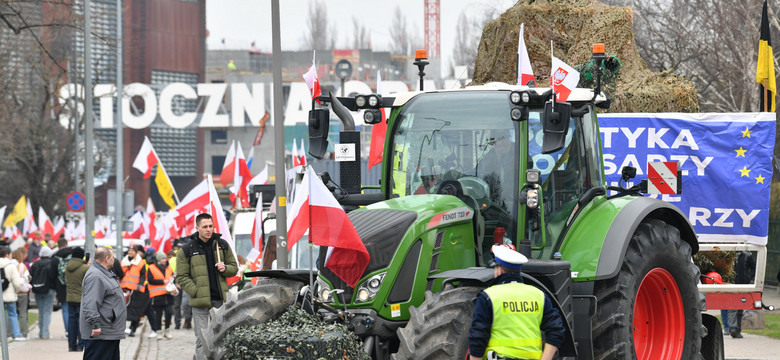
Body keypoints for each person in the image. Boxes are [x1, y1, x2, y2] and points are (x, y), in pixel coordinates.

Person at [469, 245, 564, 360]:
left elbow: (478, 337)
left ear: (499, 271)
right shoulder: (539, 295)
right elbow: (556, 330)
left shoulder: (489, 296)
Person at [176, 213, 238, 359]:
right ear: (197, 228)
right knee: (202, 339)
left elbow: (234, 267)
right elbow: (182, 277)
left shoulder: (222, 245)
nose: (208, 229)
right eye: (205, 227)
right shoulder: (187, 249)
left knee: (221, 337)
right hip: (199, 302)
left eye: (210, 226)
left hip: (220, 300)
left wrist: (225, 268)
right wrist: (196, 291)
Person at [80, 246, 127, 360]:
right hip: (101, 333)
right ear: (107, 258)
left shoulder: (105, 273)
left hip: (109, 331)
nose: (114, 260)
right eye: (113, 257)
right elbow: (90, 302)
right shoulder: (96, 276)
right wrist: (95, 324)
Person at [30, 246, 58, 339]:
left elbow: (31, 277)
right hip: (49, 289)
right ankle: (45, 334)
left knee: (41, 311)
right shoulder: (51, 263)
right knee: (47, 311)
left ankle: (41, 333)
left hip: (38, 290)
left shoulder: (35, 264)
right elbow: (54, 277)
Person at [65, 246, 89, 352]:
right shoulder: (85, 268)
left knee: (71, 322)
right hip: (81, 298)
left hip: (70, 298)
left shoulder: (67, 267)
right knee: (81, 322)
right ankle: (80, 345)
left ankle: (71, 345)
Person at [0, 247, 26, 341]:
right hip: (9, 294)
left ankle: (3, 335)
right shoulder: (11, 266)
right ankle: (16, 334)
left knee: (1, 315)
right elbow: (17, 282)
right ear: (7, 254)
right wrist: (16, 290)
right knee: (13, 314)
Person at [729, 250, 756, 339]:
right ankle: (733, 328)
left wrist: (748, 277)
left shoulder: (747, 255)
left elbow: (754, 267)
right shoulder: (728, 253)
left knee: (740, 307)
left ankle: (738, 329)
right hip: (731, 284)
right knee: (732, 306)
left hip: (743, 284)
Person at [148, 252, 174, 339]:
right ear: (159, 260)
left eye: (165, 258)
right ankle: (158, 332)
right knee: (158, 315)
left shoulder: (169, 267)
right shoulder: (151, 268)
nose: (165, 260)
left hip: (168, 294)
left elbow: (173, 277)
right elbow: (150, 280)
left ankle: (167, 331)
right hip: (157, 295)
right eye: (163, 258)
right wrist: (163, 282)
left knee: (169, 313)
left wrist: (173, 280)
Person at [10, 247, 31, 339]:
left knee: (12, 313)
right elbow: (27, 278)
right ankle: (24, 332)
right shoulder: (22, 266)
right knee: (22, 313)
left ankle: (9, 333)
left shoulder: (10, 265)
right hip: (22, 292)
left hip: (12, 291)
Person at [53, 238, 72, 338]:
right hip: (74, 286)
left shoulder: (56, 257)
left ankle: (68, 331)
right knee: (75, 310)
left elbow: (53, 274)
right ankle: (75, 331)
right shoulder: (74, 255)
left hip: (61, 287)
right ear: (67, 244)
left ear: (58, 246)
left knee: (65, 309)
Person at [168, 249, 183, 329]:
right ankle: (177, 323)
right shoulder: (174, 262)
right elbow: (172, 274)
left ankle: (185, 321)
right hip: (176, 285)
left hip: (185, 286)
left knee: (183, 305)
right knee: (177, 305)